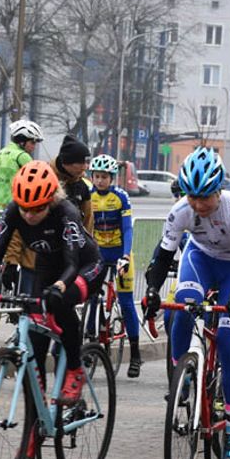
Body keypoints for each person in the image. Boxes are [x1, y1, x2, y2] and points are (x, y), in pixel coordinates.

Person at [143, 147, 230, 459]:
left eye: (205, 198)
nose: (198, 205)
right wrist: (153, 291)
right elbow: (161, 259)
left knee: (228, 341)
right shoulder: (180, 211)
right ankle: (182, 376)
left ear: (218, 190)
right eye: (192, 197)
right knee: (183, 308)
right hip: (199, 259)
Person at [0, 161, 104, 404]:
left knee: (62, 301)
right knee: (35, 349)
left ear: (50, 200)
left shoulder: (65, 211)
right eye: (25, 208)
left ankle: (75, 369)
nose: (29, 215)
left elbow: (71, 262)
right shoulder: (14, 210)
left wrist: (59, 288)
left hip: (84, 266)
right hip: (46, 267)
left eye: (37, 209)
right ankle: (36, 427)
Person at [89, 153, 143, 377]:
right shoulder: (88, 196)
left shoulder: (120, 197)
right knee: (91, 296)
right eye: (97, 176)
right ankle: (90, 340)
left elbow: (128, 229)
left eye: (104, 177)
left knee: (126, 302)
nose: (100, 181)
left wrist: (126, 256)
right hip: (99, 253)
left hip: (120, 253)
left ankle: (136, 355)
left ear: (112, 178)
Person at [0, 118, 43, 209]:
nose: (34, 146)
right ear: (22, 141)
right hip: (12, 211)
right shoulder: (22, 156)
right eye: (32, 142)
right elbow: (38, 181)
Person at [53, 135, 93, 232]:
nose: (85, 167)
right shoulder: (46, 179)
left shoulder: (82, 186)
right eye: (80, 163)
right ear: (66, 163)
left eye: (86, 162)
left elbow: (88, 220)